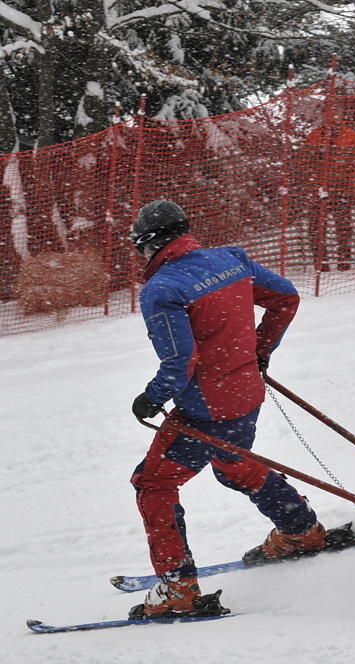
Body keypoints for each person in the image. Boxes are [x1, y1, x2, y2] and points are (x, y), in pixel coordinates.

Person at [128, 200, 326, 619]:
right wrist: (259, 351)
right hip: (245, 394)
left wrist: (153, 396)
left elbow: (179, 362)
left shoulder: (163, 289)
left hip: (206, 407)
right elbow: (285, 298)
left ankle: (177, 587)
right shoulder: (230, 260)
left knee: (153, 485)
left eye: (138, 248)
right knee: (234, 462)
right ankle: (300, 530)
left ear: (149, 244)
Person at [299, 104, 355, 271]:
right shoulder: (314, 136)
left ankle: (345, 259)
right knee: (316, 225)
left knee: (343, 225)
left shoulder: (351, 137)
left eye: (335, 112)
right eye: (327, 113)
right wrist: (311, 181)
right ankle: (321, 262)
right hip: (318, 188)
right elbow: (303, 162)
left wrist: (352, 186)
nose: (331, 116)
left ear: (341, 114)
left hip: (342, 187)